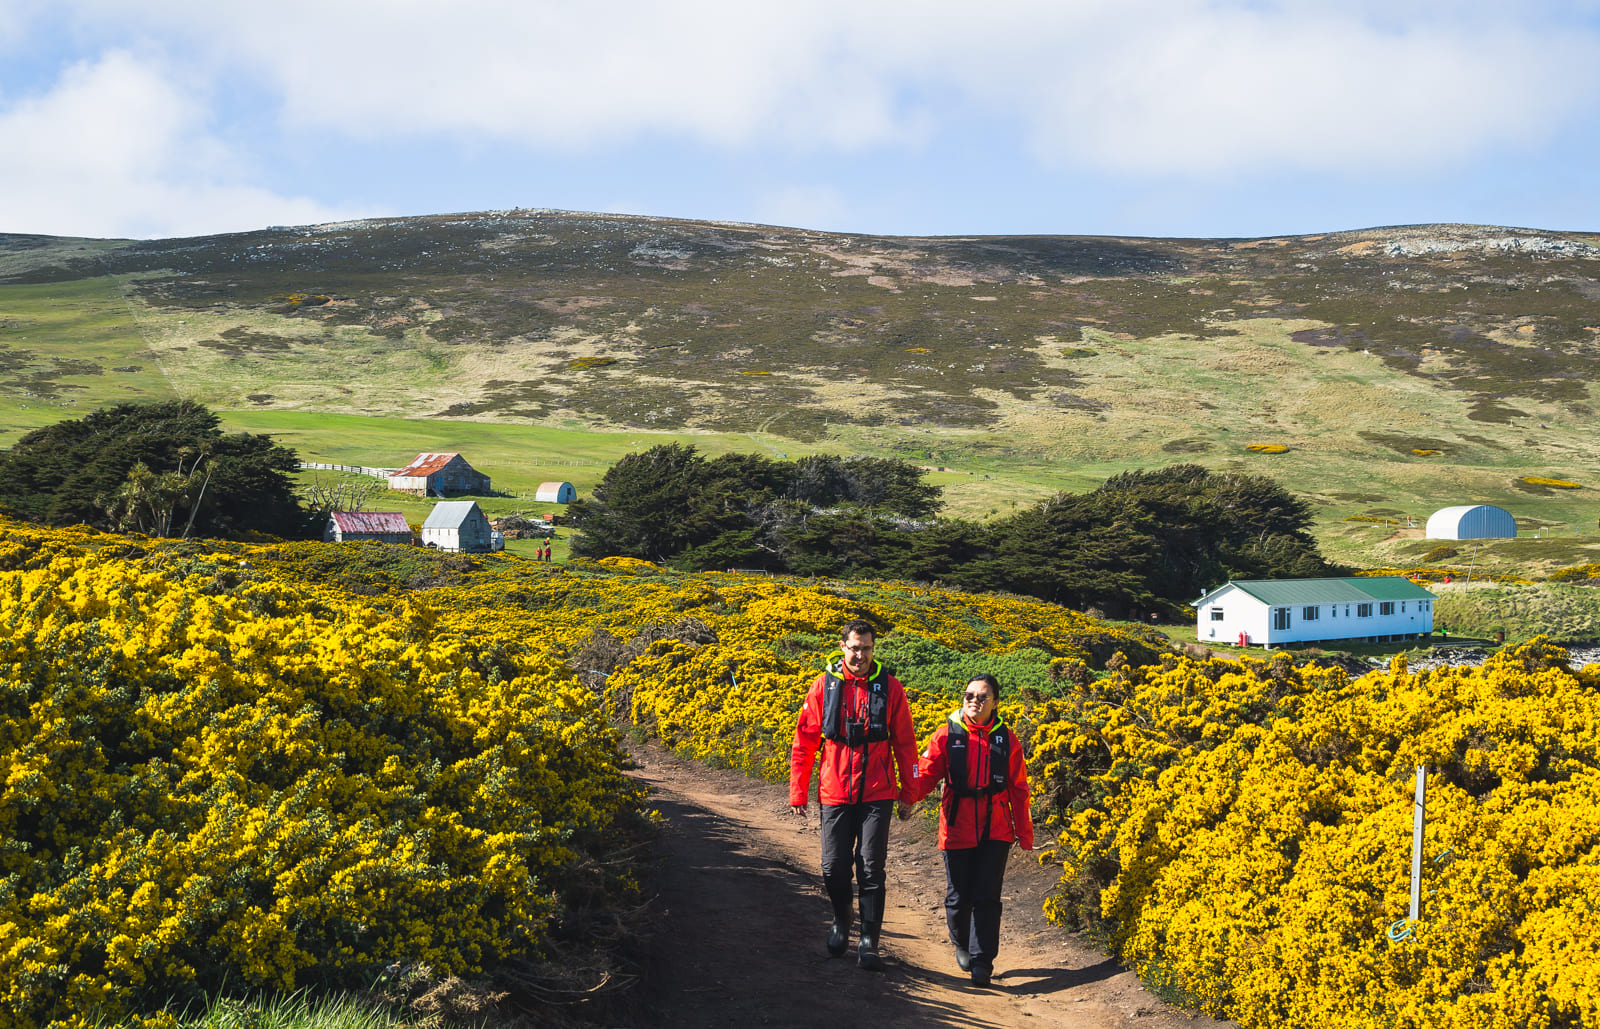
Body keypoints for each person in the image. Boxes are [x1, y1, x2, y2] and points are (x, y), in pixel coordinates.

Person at [790, 619, 919, 971]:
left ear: (873, 650)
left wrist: (911, 792)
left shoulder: (891, 688)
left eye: (866, 648)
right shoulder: (823, 687)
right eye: (854, 647)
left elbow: (906, 744)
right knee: (833, 867)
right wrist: (798, 790)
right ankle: (842, 919)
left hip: (877, 791)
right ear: (843, 647)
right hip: (834, 790)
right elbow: (804, 742)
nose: (860, 654)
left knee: (871, 867)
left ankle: (869, 942)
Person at [904, 673, 1034, 987]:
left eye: (982, 696)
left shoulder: (1007, 739)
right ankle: (960, 942)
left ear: (995, 703)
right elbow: (927, 772)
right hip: (956, 825)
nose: (974, 701)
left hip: (996, 828)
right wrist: (908, 795)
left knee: (987, 896)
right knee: (959, 895)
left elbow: (1019, 788)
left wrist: (1024, 833)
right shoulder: (945, 735)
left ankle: (982, 960)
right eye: (969, 695)